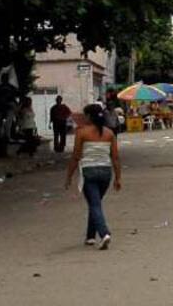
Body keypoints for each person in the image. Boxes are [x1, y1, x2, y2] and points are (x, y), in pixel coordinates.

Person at [65, 103, 122, 250]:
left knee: (94, 204)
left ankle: (104, 233)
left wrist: (69, 176)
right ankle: (90, 236)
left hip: (89, 172)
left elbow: (76, 156)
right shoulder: (109, 133)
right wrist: (118, 178)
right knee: (94, 202)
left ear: (89, 116)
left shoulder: (82, 132)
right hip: (105, 173)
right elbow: (115, 157)